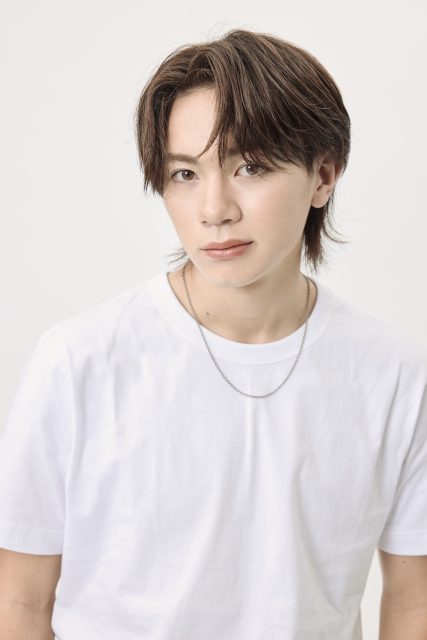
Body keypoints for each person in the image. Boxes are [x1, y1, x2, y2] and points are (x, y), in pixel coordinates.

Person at [0, 28, 426, 640]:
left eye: (250, 166)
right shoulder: (79, 361)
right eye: (184, 174)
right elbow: (19, 600)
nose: (214, 208)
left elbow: (413, 604)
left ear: (324, 174)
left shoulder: (395, 376)